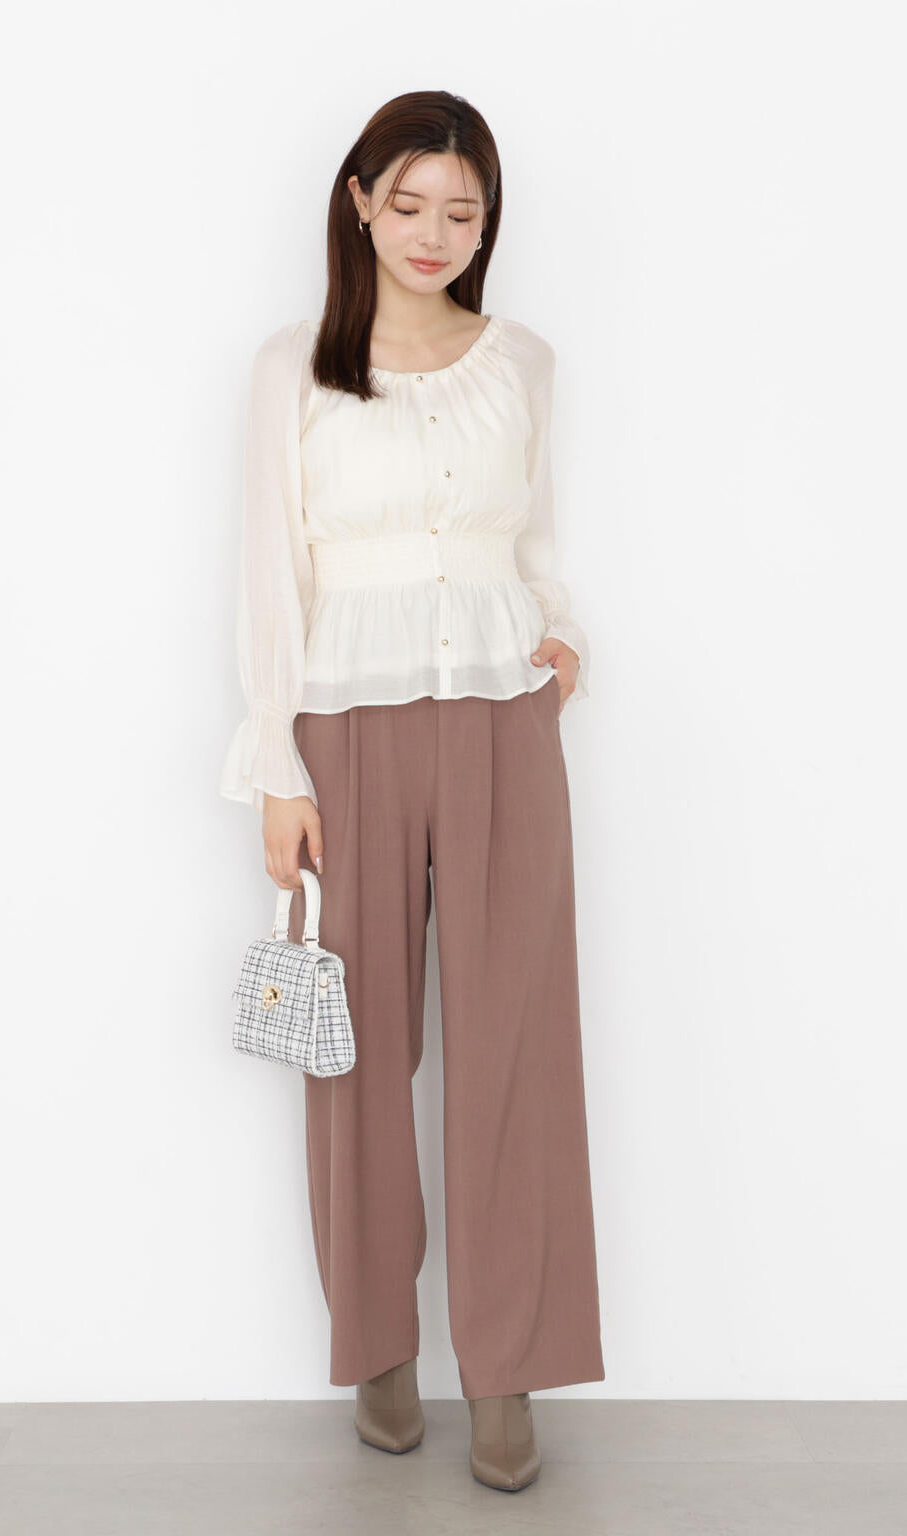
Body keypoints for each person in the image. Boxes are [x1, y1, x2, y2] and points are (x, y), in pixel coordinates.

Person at [219, 89, 604, 1493]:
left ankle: (506, 1370)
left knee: (516, 1049)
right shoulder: (296, 367)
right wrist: (276, 764)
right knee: (360, 1049)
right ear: (361, 201)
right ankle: (380, 1345)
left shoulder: (523, 362)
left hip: (505, 718)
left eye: (464, 211)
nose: (435, 233)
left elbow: (534, 534)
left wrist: (560, 632)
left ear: (486, 224)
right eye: (411, 202)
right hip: (349, 729)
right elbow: (273, 570)